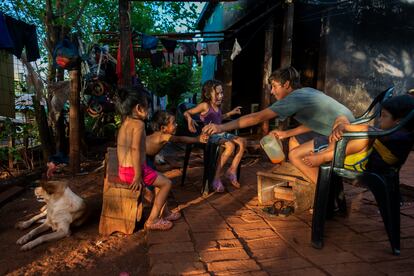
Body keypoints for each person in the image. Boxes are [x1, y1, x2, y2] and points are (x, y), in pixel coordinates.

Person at [202, 67, 354, 184]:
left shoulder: (293, 98)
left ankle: (324, 193)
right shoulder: (306, 91)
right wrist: (286, 134)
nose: (272, 91)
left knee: (294, 155)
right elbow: (314, 124)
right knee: (294, 140)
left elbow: (257, 117)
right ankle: (312, 180)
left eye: (275, 86)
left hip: (343, 134)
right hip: (341, 128)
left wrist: (221, 127)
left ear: (286, 85)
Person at [302, 95, 414, 183]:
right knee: (341, 119)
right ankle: (324, 152)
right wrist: (344, 125)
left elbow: (370, 131)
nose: (380, 119)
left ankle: (325, 156)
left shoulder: (401, 136)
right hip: (367, 158)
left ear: (399, 120)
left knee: (365, 136)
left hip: (370, 165)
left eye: (384, 116)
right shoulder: (399, 132)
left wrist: (346, 126)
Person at [116, 87, 174, 231]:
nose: (149, 111)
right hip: (133, 172)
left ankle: (165, 212)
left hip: (124, 170)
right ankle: (152, 220)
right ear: (139, 108)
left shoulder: (126, 123)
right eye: (147, 107)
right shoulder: (139, 125)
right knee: (166, 183)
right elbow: (135, 150)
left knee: (159, 178)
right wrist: (137, 175)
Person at [184, 80, 246, 192]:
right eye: (217, 93)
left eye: (221, 93)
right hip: (210, 135)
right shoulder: (204, 105)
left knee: (242, 141)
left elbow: (218, 118)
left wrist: (230, 113)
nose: (221, 96)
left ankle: (231, 171)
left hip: (220, 133)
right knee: (230, 146)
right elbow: (186, 112)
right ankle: (216, 178)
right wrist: (189, 120)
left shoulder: (217, 106)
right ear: (208, 94)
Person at [144, 110, 208, 207]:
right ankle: (149, 210)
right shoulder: (164, 136)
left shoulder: (159, 134)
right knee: (150, 189)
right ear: (163, 128)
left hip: (148, 158)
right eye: (173, 123)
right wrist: (197, 139)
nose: (176, 124)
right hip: (144, 160)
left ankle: (158, 207)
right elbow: (179, 139)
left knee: (155, 185)